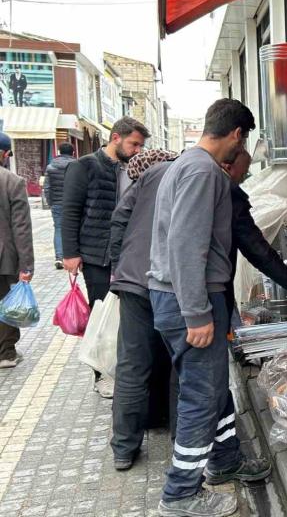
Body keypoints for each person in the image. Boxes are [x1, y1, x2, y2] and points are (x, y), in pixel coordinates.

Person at [148, 99, 283, 516]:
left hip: (184, 298)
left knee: (212, 387)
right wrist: (197, 314)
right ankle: (180, 494)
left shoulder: (189, 166)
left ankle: (225, 460)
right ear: (237, 135)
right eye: (244, 141)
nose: (241, 150)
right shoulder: (202, 171)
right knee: (201, 398)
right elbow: (185, 245)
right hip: (189, 302)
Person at [62, 116, 148, 398]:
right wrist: (70, 253)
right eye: (134, 144)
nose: (137, 150)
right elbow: (70, 211)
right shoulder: (84, 166)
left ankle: (123, 370)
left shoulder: (133, 169)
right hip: (96, 255)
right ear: (116, 138)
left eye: (141, 146)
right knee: (100, 315)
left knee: (125, 317)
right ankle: (101, 375)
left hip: (127, 255)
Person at [109, 149, 178, 471]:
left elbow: (119, 219)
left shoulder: (147, 177)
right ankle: (183, 442)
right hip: (173, 283)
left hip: (134, 281)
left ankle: (124, 448)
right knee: (181, 363)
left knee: (132, 364)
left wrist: (119, 266)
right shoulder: (194, 174)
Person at [220, 150, 287, 318]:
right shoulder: (228, 193)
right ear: (228, 167)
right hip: (210, 294)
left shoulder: (212, 185)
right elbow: (255, 248)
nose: (243, 178)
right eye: (243, 173)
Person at [0, 137, 33, 368]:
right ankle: (6, 353)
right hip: (4, 258)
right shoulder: (12, 181)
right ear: (4, 154)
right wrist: (26, 266)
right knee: (6, 303)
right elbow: (21, 228)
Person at [43, 142, 76, 269]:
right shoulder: (77, 165)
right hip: (74, 203)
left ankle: (59, 257)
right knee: (74, 228)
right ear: (73, 152)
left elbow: (47, 187)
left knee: (58, 228)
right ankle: (73, 255)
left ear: (59, 152)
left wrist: (50, 202)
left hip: (57, 203)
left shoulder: (51, 166)